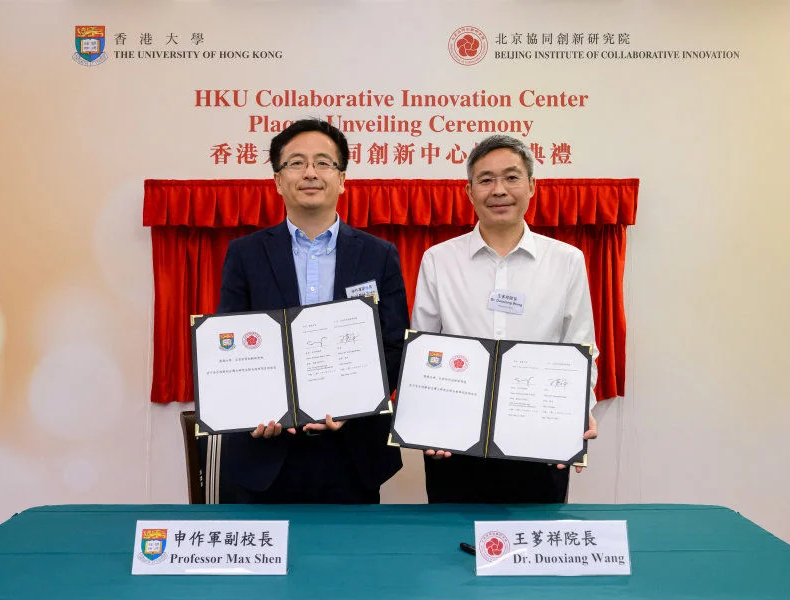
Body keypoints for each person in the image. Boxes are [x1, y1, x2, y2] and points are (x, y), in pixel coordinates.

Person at [202, 119, 407, 504]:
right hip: (267, 450)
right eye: (296, 163)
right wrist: (254, 409)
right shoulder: (245, 254)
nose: (310, 172)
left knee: (347, 561)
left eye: (323, 163)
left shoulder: (379, 254)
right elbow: (229, 344)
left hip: (352, 449)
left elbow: (395, 345)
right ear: (278, 180)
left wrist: (356, 402)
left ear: (342, 178)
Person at [410, 134, 598, 503]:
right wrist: (425, 422)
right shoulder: (438, 260)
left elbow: (580, 345)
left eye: (511, 178)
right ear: (469, 191)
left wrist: (578, 413)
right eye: (486, 180)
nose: (499, 190)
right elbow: (423, 347)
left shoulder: (566, 260)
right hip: (455, 442)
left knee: (532, 549)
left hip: (539, 439)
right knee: (451, 550)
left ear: (531, 186)